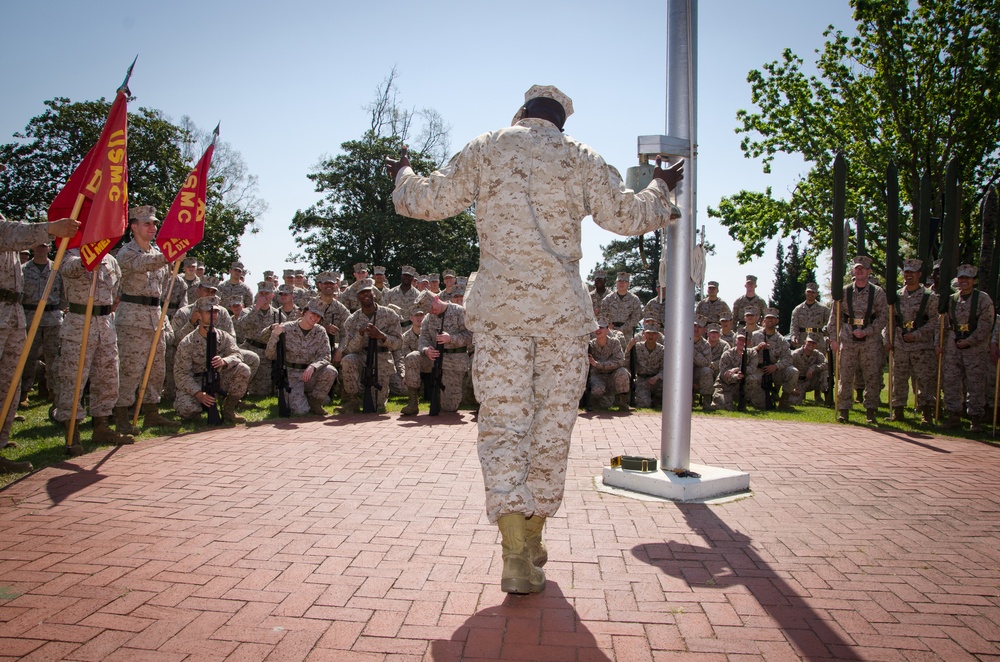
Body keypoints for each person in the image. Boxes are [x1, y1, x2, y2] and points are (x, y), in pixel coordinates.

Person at [387, 84, 681, 594]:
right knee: (551, 426)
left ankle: (515, 553)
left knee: (503, 424)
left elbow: (426, 201)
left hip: (501, 314)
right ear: (560, 120)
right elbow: (629, 217)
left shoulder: (489, 146)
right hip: (561, 316)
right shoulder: (580, 157)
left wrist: (401, 174)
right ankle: (533, 534)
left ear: (522, 112)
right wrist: (660, 186)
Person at [0, 214, 80, 470]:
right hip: (7, 308)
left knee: (7, 383)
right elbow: (8, 234)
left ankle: (0, 443)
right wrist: (48, 228)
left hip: (12, 310)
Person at [54, 246, 131, 453]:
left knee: (107, 379)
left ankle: (101, 426)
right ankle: (72, 431)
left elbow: (115, 293)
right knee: (74, 379)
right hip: (79, 325)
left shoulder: (111, 261)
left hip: (105, 325)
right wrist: (87, 260)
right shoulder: (72, 253)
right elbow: (68, 270)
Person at [114, 206, 180, 434]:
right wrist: (168, 256)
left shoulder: (157, 252)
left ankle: (151, 413)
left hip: (154, 318)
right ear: (133, 226)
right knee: (130, 369)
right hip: (132, 319)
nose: (152, 227)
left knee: (156, 369)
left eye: (154, 223)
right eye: (147, 223)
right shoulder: (127, 252)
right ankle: (121, 415)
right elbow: (143, 265)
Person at [828, 256, 888, 424]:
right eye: (857, 268)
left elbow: (884, 317)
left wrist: (868, 331)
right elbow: (834, 317)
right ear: (853, 271)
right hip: (848, 338)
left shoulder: (877, 293)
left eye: (863, 268)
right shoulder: (844, 292)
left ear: (869, 271)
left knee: (872, 375)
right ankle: (844, 409)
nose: (859, 270)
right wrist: (833, 339)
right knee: (845, 375)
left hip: (870, 340)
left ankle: (870, 410)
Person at [173, 296, 250, 423]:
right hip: (196, 383)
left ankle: (228, 409)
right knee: (187, 409)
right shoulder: (187, 342)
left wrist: (225, 361)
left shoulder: (224, 336)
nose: (213, 315)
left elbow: (237, 354)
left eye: (215, 311)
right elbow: (181, 374)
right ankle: (199, 410)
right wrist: (198, 393)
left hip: (219, 379)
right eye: (209, 311)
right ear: (198, 314)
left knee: (243, 369)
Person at [940, 264, 994, 431]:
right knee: (951, 381)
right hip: (954, 346)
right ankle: (954, 415)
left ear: (973, 280)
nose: (964, 281)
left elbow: (986, 324)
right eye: (961, 278)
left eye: (967, 278)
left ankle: (975, 419)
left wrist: (970, 341)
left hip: (975, 347)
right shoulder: (951, 299)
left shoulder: (983, 299)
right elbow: (945, 323)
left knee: (975, 382)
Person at [401, 290, 472, 415]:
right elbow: (423, 339)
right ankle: (413, 402)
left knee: (449, 407)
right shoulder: (428, 318)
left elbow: (471, 335)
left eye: (432, 308)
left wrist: (451, 338)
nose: (432, 312)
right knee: (412, 357)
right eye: (428, 310)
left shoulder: (459, 311)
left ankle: (441, 395)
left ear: (437, 298)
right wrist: (426, 350)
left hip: (455, 360)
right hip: (433, 358)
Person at [885, 259, 938, 423]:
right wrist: (888, 339)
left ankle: (926, 412)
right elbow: (890, 321)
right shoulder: (897, 296)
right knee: (899, 379)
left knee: (924, 380)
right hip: (901, 345)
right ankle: (898, 411)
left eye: (912, 272)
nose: (908, 275)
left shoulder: (929, 297)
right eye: (906, 272)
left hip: (922, 346)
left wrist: (917, 335)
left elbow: (935, 321)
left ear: (919, 275)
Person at [339, 279, 403, 413]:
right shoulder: (352, 320)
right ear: (358, 297)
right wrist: (360, 334)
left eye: (368, 292)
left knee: (378, 407)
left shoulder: (390, 315)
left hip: (382, 359)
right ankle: (353, 400)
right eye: (362, 293)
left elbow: (398, 342)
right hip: (361, 357)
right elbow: (350, 348)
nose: (365, 295)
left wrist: (382, 336)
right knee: (348, 359)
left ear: (374, 294)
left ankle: (376, 399)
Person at [266, 298, 337, 416]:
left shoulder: (320, 331)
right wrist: (274, 335)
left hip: (310, 374)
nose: (315, 318)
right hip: (291, 375)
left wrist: (314, 366)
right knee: (301, 411)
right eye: (313, 313)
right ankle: (302, 398)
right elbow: (269, 354)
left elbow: (325, 356)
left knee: (330, 371)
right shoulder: (286, 328)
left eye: (318, 316)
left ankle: (315, 401)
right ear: (305, 312)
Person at [19, 242, 62, 408]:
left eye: (44, 245)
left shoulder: (56, 269)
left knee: (53, 356)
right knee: (28, 356)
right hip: (30, 316)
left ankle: (53, 389)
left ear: (50, 248)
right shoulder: (23, 270)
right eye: (38, 245)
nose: (41, 248)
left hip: (52, 317)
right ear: (32, 248)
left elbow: (63, 294)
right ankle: (24, 391)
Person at [587, 319, 631, 411]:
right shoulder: (590, 345)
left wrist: (598, 364)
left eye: (601, 327)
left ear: (607, 330)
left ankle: (622, 402)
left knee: (623, 372)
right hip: (598, 377)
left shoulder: (615, 343)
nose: (598, 330)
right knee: (600, 396)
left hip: (613, 376)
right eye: (596, 328)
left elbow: (619, 361)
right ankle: (595, 402)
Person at [788, 334, 828, 406]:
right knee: (794, 402)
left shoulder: (817, 354)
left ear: (817, 345)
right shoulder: (795, 354)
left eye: (814, 343)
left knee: (825, 373)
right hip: (798, 383)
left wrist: (813, 368)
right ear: (805, 342)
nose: (811, 345)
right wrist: (792, 387)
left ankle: (827, 399)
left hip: (811, 381)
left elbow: (826, 364)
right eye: (810, 342)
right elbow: (787, 369)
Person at [601, 272, 643, 340]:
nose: (622, 283)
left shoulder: (634, 299)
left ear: (628, 284)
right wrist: (608, 325)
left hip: (626, 335)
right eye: (619, 281)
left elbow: (637, 317)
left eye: (625, 281)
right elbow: (603, 314)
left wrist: (623, 328)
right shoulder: (608, 299)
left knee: (626, 350)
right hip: (610, 333)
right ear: (616, 283)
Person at [632, 321, 663, 408]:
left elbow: (666, 369)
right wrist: (629, 348)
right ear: (644, 334)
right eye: (649, 333)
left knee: (665, 402)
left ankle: (657, 400)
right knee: (644, 404)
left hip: (658, 381)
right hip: (642, 380)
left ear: (658, 335)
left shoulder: (662, 350)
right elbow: (628, 363)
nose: (651, 336)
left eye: (654, 333)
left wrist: (657, 377)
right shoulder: (637, 347)